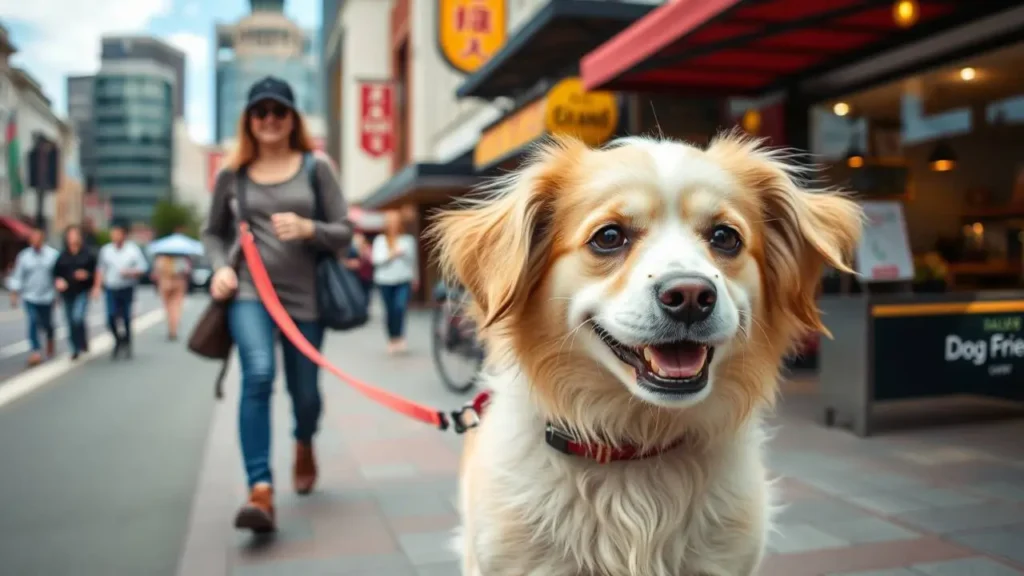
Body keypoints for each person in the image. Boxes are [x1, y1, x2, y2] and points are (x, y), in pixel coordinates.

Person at [203, 76, 352, 533]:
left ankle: (304, 441)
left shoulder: (316, 167)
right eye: (260, 112)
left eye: (278, 111)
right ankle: (261, 489)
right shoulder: (232, 175)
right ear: (249, 120)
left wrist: (311, 229)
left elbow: (345, 230)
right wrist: (218, 268)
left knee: (305, 395)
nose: (269, 119)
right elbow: (212, 233)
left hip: (305, 300)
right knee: (259, 375)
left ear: (292, 119)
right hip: (249, 293)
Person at [93, 223, 147, 360]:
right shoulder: (106, 250)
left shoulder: (133, 250)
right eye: (113, 233)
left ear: (124, 235)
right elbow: (100, 269)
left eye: (117, 233)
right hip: (111, 288)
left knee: (127, 317)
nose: (114, 236)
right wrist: (97, 287)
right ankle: (118, 339)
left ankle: (128, 342)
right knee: (110, 317)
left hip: (127, 288)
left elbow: (143, 268)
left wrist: (130, 272)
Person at [8, 224, 59, 366]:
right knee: (32, 321)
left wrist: (58, 294)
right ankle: (35, 350)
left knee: (47, 324)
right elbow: (17, 276)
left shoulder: (53, 255)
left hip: (47, 296)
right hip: (30, 295)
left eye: (38, 238)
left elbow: (58, 276)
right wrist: (14, 294)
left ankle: (50, 339)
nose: (35, 241)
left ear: (43, 239)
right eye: (33, 239)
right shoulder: (24, 256)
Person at [372, 211, 418, 355]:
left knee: (400, 308)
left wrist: (416, 277)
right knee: (389, 311)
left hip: (403, 279)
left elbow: (413, 261)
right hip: (384, 281)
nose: (393, 225)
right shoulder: (380, 240)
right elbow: (376, 260)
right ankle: (392, 339)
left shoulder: (407, 240)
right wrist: (392, 254)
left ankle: (400, 337)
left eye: (395, 222)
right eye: (390, 222)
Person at [53, 225, 97, 360]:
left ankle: (82, 340)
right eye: (70, 235)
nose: (73, 238)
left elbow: (96, 273)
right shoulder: (62, 255)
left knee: (78, 318)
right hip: (67, 293)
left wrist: (87, 276)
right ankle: (74, 348)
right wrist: (58, 281)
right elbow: (55, 273)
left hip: (82, 291)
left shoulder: (88, 254)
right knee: (70, 321)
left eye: (75, 235)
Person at [152, 253, 189, 340]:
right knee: (176, 307)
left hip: (165, 283)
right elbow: (186, 271)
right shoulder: (181, 258)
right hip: (178, 283)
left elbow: (156, 273)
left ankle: (171, 328)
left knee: (168, 308)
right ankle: (174, 328)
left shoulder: (161, 259)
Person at [344, 232, 374, 301]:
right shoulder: (351, 249)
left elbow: (370, 260)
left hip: (366, 277)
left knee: (366, 297)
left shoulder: (367, 248)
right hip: (356, 277)